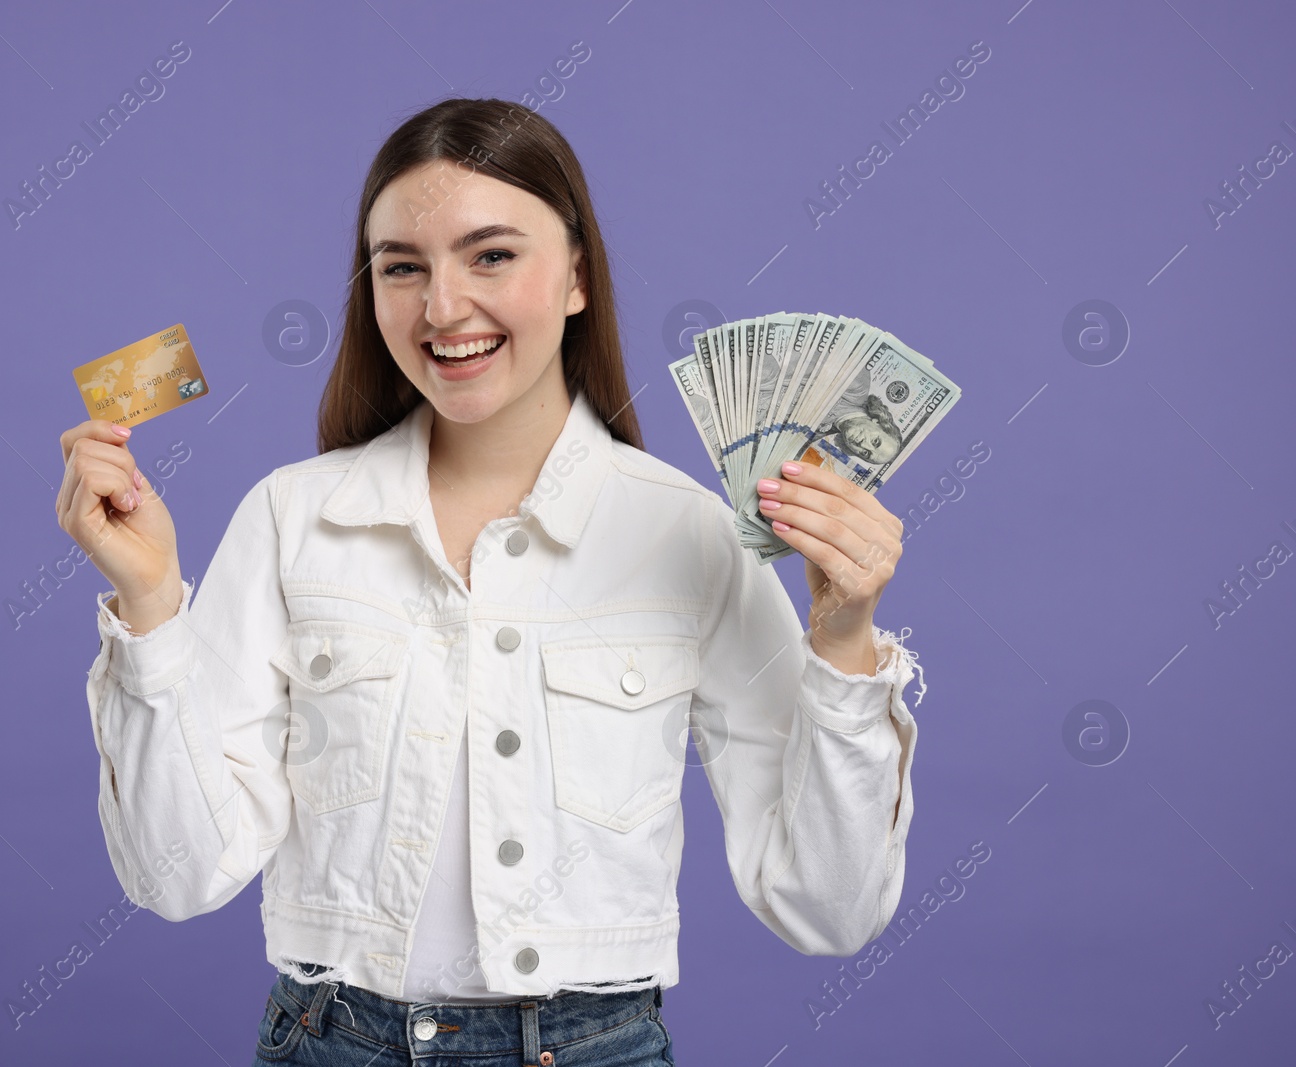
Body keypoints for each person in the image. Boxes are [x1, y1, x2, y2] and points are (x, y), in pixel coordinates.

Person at [56, 97, 924, 1067]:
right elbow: (177, 874)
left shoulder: (688, 531)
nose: (441, 307)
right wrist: (149, 603)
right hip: (329, 1040)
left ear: (578, 278)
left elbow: (829, 910)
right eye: (402, 267)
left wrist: (844, 643)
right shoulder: (289, 517)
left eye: (492, 255)